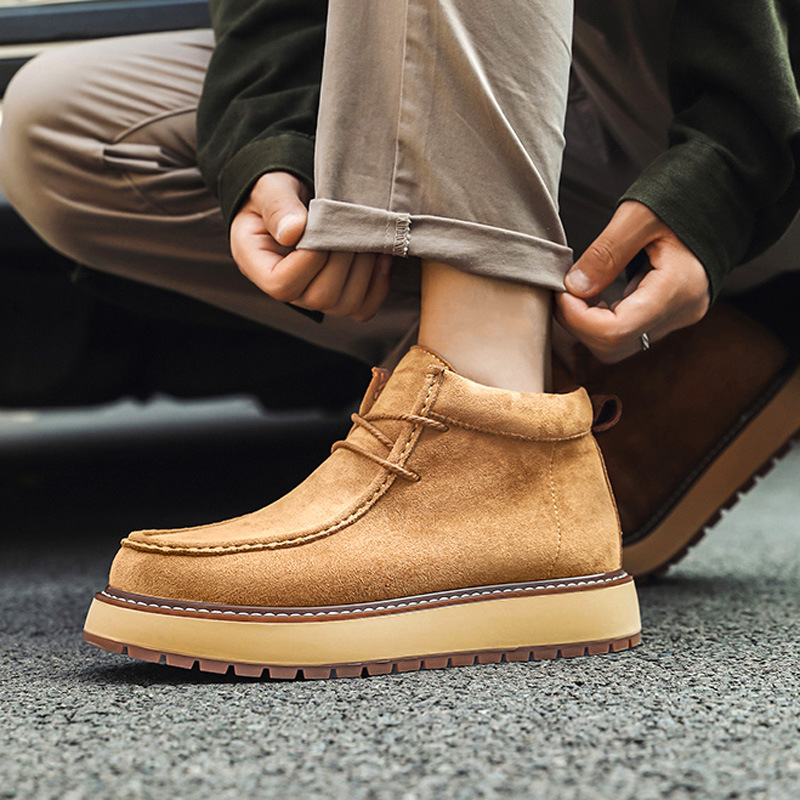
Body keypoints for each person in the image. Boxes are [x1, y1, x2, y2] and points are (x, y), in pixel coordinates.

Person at [0, 0, 797, 677]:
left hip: (730, 92)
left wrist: (724, 173)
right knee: (60, 122)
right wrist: (267, 139)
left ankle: (487, 420)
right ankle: (552, 388)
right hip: (498, 87)